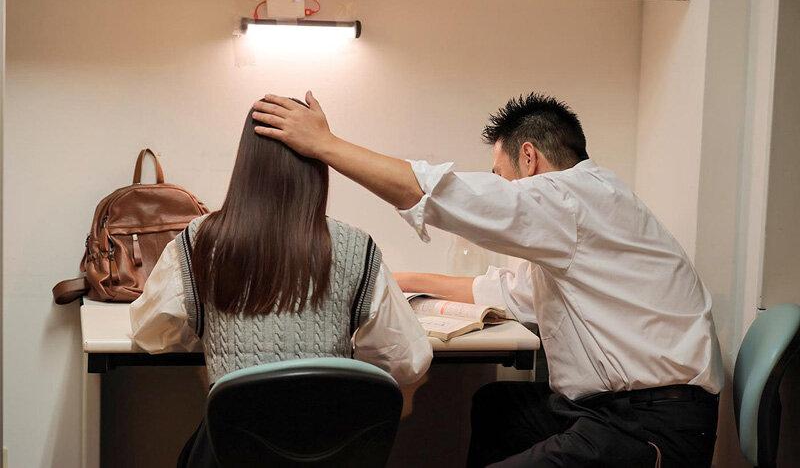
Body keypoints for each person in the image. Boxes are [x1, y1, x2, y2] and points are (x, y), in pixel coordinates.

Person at [251, 91, 724, 467]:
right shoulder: (582, 218)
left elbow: (434, 193)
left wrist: (324, 145)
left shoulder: (570, 199)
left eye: (500, 175)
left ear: (529, 157)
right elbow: (505, 293)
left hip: (650, 427)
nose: (498, 186)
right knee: (497, 405)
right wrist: (401, 278)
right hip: (614, 408)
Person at [130, 100, 432, 467]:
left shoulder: (198, 241)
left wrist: (210, 329)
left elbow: (148, 332)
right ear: (319, 166)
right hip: (329, 451)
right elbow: (408, 359)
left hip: (232, 454)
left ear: (244, 164)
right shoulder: (357, 247)